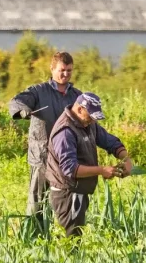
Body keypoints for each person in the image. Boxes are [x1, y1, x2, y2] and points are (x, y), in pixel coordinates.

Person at [8, 51, 82, 225]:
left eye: (69, 71)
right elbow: (16, 101)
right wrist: (23, 111)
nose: (65, 74)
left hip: (67, 158)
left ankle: (63, 235)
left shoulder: (77, 96)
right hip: (42, 156)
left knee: (64, 200)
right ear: (52, 68)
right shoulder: (38, 91)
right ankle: (33, 236)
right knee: (37, 201)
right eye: (62, 70)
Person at [46, 92, 132, 237]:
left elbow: (109, 141)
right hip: (67, 192)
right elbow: (70, 168)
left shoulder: (87, 123)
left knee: (76, 233)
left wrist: (126, 159)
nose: (92, 120)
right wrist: (101, 170)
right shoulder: (65, 132)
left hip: (79, 189)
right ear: (79, 109)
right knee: (71, 238)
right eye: (90, 116)